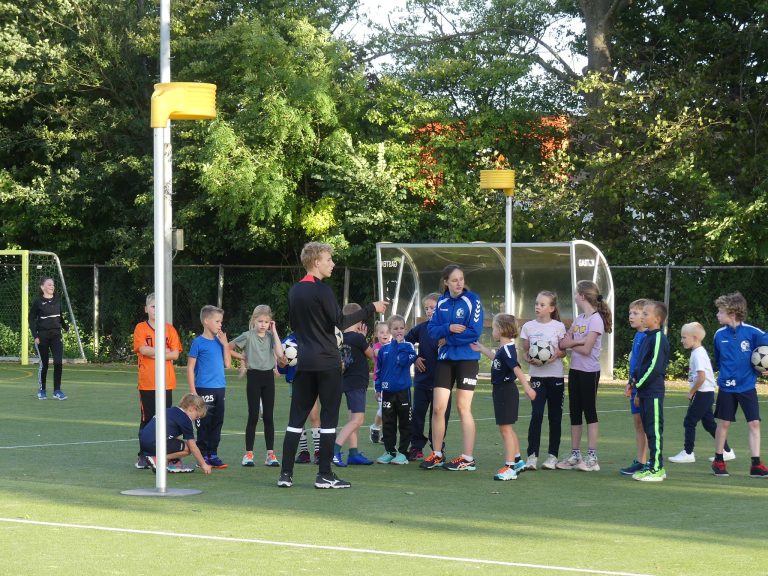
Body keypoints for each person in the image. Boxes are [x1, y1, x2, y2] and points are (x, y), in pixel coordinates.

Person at [277, 242, 387, 489]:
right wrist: (372, 308)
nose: (332, 263)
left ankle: (285, 474)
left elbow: (297, 325)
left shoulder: (295, 291)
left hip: (304, 363)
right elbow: (339, 321)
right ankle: (324, 475)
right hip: (327, 363)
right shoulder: (322, 290)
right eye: (329, 259)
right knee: (328, 420)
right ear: (316, 261)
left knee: (296, 420)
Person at [421, 264, 484, 472]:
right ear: (446, 282)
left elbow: (473, 333)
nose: (459, 283)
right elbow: (432, 330)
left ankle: (468, 458)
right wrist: (447, 328)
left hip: (467, 359)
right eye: (455, 280)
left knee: (462, 408)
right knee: (438, 408)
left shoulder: (473, 300)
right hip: (445, 359)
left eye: (462, 279)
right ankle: (437, 454)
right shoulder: (442, 302)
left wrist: (447, 339)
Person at [471, 313, 536, 480]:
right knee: (507, 428)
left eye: (493, 327)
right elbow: (498, 360)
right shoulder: (505, 348)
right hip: (502, 391)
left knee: (506, 429)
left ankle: (509, 467)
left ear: (500, 330)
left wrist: (527, 387)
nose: (492, 330)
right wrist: (482, 349)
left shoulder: (508, 350)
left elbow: (516, 369)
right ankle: (518, 460)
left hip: (506, 391)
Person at [557, 280, 612, 472]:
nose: (574, 296)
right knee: (574, 411)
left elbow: (587, 349)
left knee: (589, 412)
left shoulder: (596, 319)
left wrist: (574, 342)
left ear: (582, 296)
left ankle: (592, 458)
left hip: (589, 372)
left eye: (575, 293)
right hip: (575, 371)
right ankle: (575, 454)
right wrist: (575, 342)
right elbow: (563, 344)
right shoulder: (579, 318)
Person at [711, 292, 768, 478]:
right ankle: (719, 460)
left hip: (747, 387)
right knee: (724, 423)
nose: (717, 315)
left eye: (720, 311)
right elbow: (718, 360)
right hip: (727, 387)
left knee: (754, 423)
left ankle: (756, 465)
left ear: (732, 312)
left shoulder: (753, 333)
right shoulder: (719, 335)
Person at [229, 305, 285, 468]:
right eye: (260, 321)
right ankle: (248, 454)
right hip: (253, 377)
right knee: (253, 415)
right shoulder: (247, 336)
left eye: (266, 322)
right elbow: (229, 347)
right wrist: (242, 357)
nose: (263, 324)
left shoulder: (270, 336)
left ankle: (270, 454)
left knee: (268, 416)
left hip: (268, 377)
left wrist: (274, 331)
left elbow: (280, 354)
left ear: (270, 323)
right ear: (254, 321)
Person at [669, 322, 733, 464]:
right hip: (706, 393)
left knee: (689, 421)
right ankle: (727, 450)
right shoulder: (698, 352)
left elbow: (702, 377)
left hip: (703, 393)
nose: (682, 340)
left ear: (695, 337)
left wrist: (691, 392)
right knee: (709, 423)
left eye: (684, 337)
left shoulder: (698, 354)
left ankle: (688, 452)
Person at [132, 293, 183, 470]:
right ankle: (143, 456)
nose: (156, 310)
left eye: (159, 307)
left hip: (166, 383)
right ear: (146, 309)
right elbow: (143, 349)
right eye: (153, 306)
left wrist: (154, 352)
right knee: (147, 420)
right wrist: (163, 352)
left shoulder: (169, 329)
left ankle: (165, 456)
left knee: (165, 420)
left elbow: (175, 354)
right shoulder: (140, 328)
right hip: (147, 383)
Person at [520, 291, 566, 471]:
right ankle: (532, 456)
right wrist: (528, 358)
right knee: (536, 415)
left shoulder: (559, 327)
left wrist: (554, 356)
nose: (537, 307)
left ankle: (552, 456)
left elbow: (563, 351)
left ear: (552, 308)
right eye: (537, 303)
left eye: (542, 304)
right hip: (537, 377)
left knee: (555, 417)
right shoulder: (528, 327)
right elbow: (525, 351)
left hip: (555, 377)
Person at [405, 293, 451, 461]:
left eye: (433, 308)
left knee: (440, 415)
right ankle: (416, 446)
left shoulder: (448, 329)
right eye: (427, 308)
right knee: (417, 414)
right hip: (422, 381)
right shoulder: (422, 328)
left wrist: (448, 341)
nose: (429, 311)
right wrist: (414, 358)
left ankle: (437, 447)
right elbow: (406, 341)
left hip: (442, 382)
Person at [629, 300, 671, 481]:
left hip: (653, 393)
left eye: (646, 314)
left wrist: (638, 385)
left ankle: (657, 467)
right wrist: (633, 383)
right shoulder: (647, 337)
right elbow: (640, 365)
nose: (642, 316)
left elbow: (654, 367)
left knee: (654, 431)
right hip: (644, 392)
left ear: (657, 319)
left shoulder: (659, 338)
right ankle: (652, 464)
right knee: (648, 428)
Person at [187, 305, 231, 469]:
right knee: (204, 423)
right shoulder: (198, 342)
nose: (220, 325)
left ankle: (213, 454)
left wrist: (226, 345)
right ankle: (203, 455)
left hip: (220, 389)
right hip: (203, 389)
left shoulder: (220, 343)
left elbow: (227, 364)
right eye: (217, 321)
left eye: (221, 321)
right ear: (206, 322)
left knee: (217, 422)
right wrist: (193, 391)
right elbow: (191, 367)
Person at [333, 304, 376, 466]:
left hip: (346, 382)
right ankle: (335, 450)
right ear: (358, 319)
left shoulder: (340, 338)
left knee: (352, 417)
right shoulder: (358, 338)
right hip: (357, 383)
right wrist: (364, 338)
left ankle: (353, 453)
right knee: (358, 419)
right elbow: (372, 355)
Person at [375, 314, 417, 465]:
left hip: (402, 391)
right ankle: (390, 451)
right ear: (390, 330)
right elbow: (378, 371)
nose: (399, 331)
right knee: (388, 423)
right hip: (387, 392)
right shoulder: (384, 350)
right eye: (395, 328)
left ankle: (403, 453)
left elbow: (404, 362)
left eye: (401, 328)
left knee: (405, 423)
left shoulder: (408, 347)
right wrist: (378, 388)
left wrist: (400, 346)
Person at [139, 393, 212, 474]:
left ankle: (174, 462)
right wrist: (203, 464)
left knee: (175, 439)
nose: (196, 419)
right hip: (154, 444)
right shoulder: (186, 420)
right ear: (192, 408)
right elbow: (193, 447)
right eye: (197, 416)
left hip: (143, 443)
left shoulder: (170, 410)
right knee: (188, 449)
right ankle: (158, 460)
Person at [277, 334, 322, 464]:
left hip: (311, 381)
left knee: (314, 416)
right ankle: (304, 452)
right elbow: (282, 368)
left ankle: (318, 451)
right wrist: (282, 363)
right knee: (299, 417)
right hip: (295, 382)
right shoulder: (287, 341)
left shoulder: (314, 338)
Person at [619, 298, 649, 476]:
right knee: (638, 424)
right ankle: (640, 460)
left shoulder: (649, 337)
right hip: (635, 385)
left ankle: (649, 462)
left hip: (644, 388)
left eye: (635, 313)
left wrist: (639, 386)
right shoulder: (638, 336)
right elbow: (635, 364)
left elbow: (647, 366)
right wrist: (630, 383)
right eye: (630, 313)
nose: (631, 316)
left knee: (646, 425)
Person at [29, 276, 69, 400]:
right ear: (42, 287)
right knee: (44, 364)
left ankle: (57, 390)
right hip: (42, 337)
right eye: (49, 285)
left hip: (56, 335)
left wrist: (65, 326)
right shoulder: (38, 302)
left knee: (58, 362)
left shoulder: (57, 299)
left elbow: (59, 315)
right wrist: (35, 335)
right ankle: (42, 390)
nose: (52, 287)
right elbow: (31, 319)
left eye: (53, 285)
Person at [368, 321, 391, 444]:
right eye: (382, 332)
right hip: (379, 381)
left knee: (390, 408)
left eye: (387, 332)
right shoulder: (377, 347)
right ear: (377, 334)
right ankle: (375, 427)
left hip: (391, 381)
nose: (385, 334)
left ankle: (385, 434)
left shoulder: (393, 345)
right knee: (383, 408)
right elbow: (379, 354)